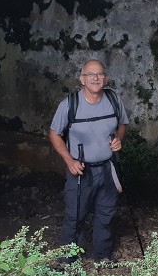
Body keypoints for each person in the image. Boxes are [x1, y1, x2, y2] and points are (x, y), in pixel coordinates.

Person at [48, 59, 129, 264]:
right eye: (90, 75)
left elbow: (122, 124)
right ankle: (69, 260)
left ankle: (103, 256)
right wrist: (69, 160)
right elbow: (54, 134)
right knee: (75, 215)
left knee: (106, 214)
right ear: (82, 79)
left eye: (100, 74)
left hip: (108, 169)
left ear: (106, 78)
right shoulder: (70, 104)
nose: (95, 78)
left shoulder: (113, 99)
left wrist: (119, 139)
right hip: (81, 170)